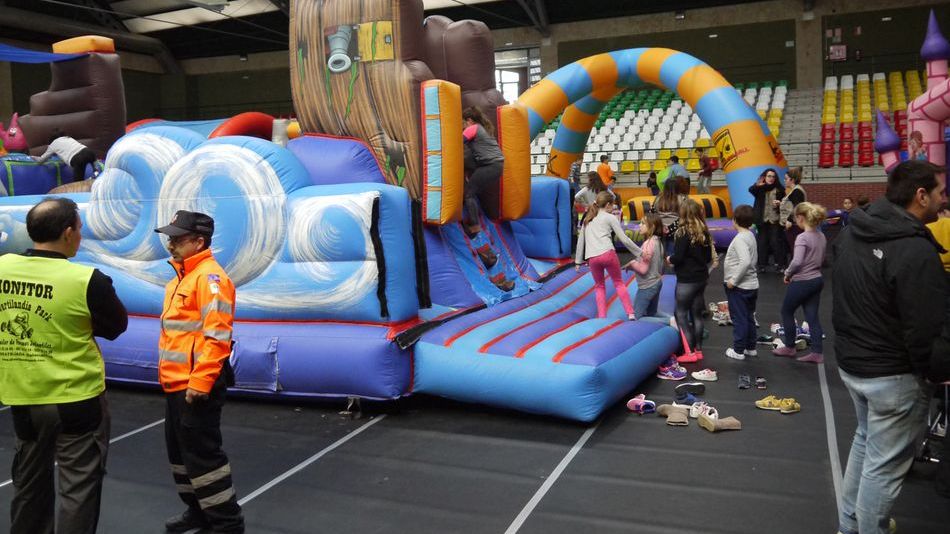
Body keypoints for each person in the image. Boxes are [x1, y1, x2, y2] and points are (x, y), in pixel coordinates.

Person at [832, 160, 948, 534]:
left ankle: (849, 527)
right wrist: (933, 372)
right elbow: (925, 328)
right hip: (892, 376)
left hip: (855, 366)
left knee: (865, 443)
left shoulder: (853, 233)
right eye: (940, 193)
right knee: (881, 469)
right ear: (921, 196)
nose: (943, 200)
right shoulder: (915, 251)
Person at [0, 197, 127, 534]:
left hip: (24, 398)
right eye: (80, 229)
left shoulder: (2, 268)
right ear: (69, 233)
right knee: (79, 491)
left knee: (28, 486)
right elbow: (116, 326)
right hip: (78, 399)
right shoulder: (87, 280)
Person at [155, 210, 245, 534]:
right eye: (170, 237)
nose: (171, 244)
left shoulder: (211, 279)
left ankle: (226, 525)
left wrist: (201, 381)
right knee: (180, 456)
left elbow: (218, 337)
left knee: (204, 460)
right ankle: (198, 513)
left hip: (195, 386)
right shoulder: (180, 278)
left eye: (178, 239)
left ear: (198, 241)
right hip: (176, 385)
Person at [773, 202, 827, 363]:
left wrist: (788, 274)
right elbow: (822, 258)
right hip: (817, 279)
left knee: (787, 312)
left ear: (800, 218)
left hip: (802, 281)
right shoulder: (821, 236)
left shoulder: (802, 237)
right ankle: (817, 352)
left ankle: (790, 347)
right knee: (812, 317)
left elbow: (797, 261)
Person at [575, 191, 642, 320]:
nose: (614, 208)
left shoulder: (588, 219)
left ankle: (602, 317)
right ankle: (630, 313)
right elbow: (624, 239)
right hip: (607, 253)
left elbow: (580, 241)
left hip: (593, 258)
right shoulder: (610, 217)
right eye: (613, 205)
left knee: (599, 286)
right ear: (607, 205)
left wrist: (578, 261)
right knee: (618, 283)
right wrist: (639, 252)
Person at [668, 199, 713, 363]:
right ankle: (698, 349)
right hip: (701, 278)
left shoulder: (682, 232)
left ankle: (689, 352)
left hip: (687, 279)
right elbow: (708, 257)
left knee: (680, 314)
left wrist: (669, 259)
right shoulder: (704, 231)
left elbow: (678, 257)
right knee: (697, 314)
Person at [722, 204, 759, 361]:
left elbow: (744, 261)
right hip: (751, 284)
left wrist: (733, 281)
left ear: (735, 220)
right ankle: (750, 347)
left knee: (739, 318)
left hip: (740, 286)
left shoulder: (739, 239)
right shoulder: (750, 235)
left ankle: (738, 350)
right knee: (749, 316)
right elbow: (751, 259)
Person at [461, 106, 505, 236]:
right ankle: (473, 219)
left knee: (469, 193)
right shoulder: (483, 129)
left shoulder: (472, 128)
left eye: (463, 123)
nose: (463, 126)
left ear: (469, 120)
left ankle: (475, 226)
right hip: (495, 166)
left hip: (490, 166)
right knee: (472, 192)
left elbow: (456, 143)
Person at [624, 213, 671, 324]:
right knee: (652, 313)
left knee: (636, 317)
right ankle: (676, 320)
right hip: (656, 282)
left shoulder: (648, 244)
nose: (639, 225)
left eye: (643, 223)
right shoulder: (657, 241)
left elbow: (643, 270)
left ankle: (670, 320)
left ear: (652, 227)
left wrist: (632, 264)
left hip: (648, 286)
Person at [748, 168, 786, 272]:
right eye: (769, 176)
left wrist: (780, 204)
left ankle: (780, 264)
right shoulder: (759, 188)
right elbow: (750, 190)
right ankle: (761, 265)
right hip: (762, 220)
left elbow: (785, 204)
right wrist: (757, 185)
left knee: (775, 242)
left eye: (773, 176)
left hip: (775, 220)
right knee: (762, 242)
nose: (771, 178)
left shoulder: (779, 189)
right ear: (765, 177)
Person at [31, 130, 98, 182]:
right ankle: (96, 173)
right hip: (89, 152)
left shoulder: (53, 145)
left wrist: (32, 157)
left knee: (78, 182)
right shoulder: (68, 138)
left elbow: (41, 160)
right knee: (95, 169)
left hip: (78, 159)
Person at [779, 166, 807, 252]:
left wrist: (790, 220)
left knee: (795, 250)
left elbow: (797, 207)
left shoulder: (796, 191)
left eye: (786, 179)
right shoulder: (795, 190)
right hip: (795, 224)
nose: (784, 180)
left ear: (792, 180)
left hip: (795, 225)